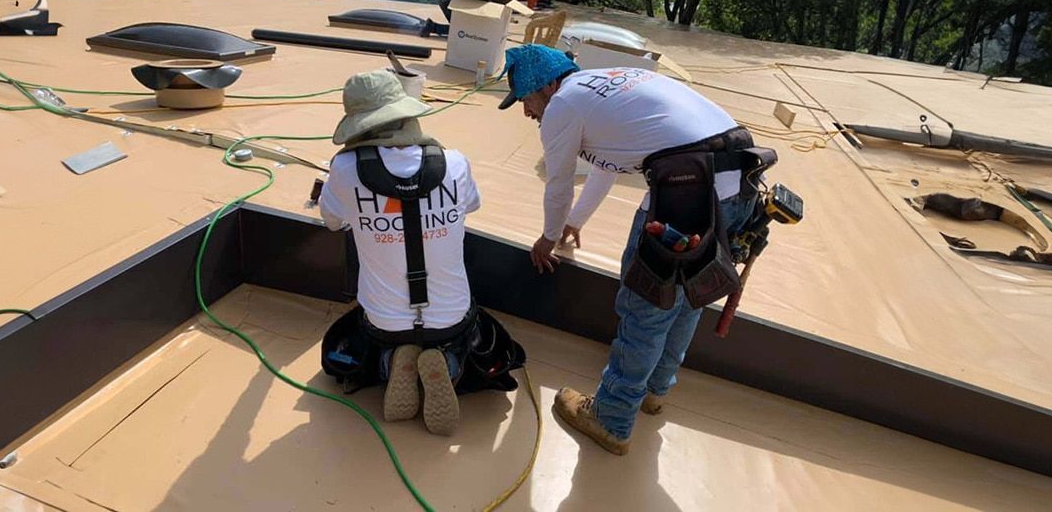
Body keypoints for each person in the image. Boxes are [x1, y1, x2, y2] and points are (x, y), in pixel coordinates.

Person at [498, 44, 762, 454]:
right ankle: (656, 391)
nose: (527, 112)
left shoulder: (563, 106)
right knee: (688, 296)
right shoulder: (604, 85)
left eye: (527, 100)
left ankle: (612, 418)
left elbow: (559, 183)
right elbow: (608, 164)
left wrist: (547, 237)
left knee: (646, 307)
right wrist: (574, 223)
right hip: (739, 181)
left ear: (549, 86)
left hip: (688, 191)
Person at [319, 69, 524, 435]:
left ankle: (391, 361)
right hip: (451, 318)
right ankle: (447, 361)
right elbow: (471, 206)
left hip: (384, 322)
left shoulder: (344, 169)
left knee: (355, 330)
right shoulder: (455, 162)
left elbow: (333, 222)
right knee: (475, 328)